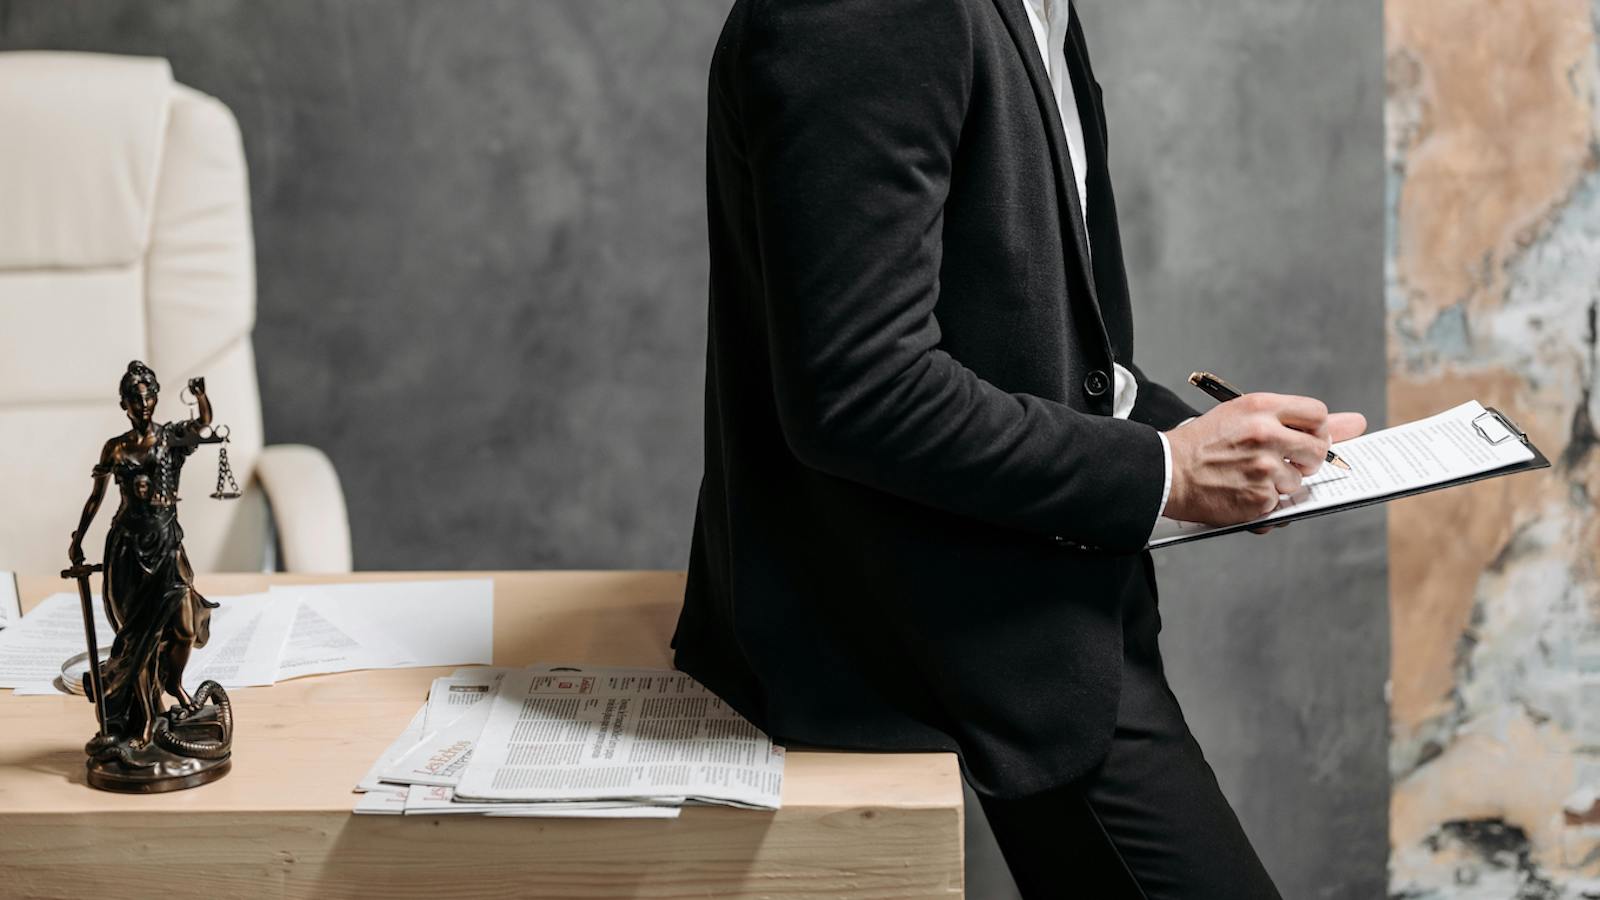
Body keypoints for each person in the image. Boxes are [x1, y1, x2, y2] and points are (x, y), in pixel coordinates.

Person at [670, 1, 1367, 896]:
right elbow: (862, 389)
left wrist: (1203, 443)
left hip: (1029, 609)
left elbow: (1015, 335)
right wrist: (1170, 474)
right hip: (945, 633)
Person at [69, 361, 220, 749]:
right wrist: (78, 540)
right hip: (129, 550)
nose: (144, 402)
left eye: (149, 394)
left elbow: (203, 423)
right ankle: (147, 720)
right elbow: (96, 499)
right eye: (135, 398)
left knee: (185, 626)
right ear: (125, 404)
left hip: (167, 544)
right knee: (140, 640)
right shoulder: (116, 448)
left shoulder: (170, 438)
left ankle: (174, 684)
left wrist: (201, 394)